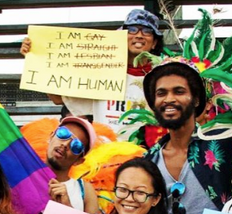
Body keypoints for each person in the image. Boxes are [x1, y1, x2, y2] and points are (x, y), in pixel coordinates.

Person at [20, 9, 164, 139]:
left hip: (146, 155)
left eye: (147, 31)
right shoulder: (99, 71)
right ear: (121, 37)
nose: (139, 36)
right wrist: (35, 57)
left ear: (155, 43)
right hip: (106, 157)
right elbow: (57, 99)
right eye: (132, 30)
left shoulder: (162, 77)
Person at [144, 57, 232, 214]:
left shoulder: (226, 147)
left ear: (196, 100)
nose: (169, 99)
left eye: (179, 91)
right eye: (161, 93)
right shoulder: (148, 161)